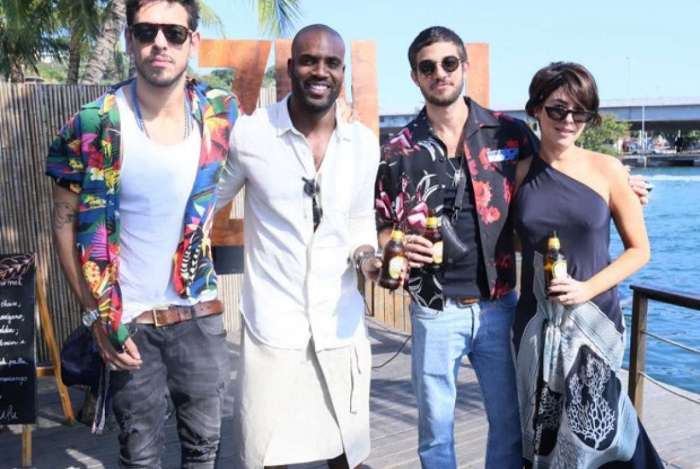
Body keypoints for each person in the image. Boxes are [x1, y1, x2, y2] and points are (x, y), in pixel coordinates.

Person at [375, 27, 651, 469]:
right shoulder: (398, 149)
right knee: (435, 433)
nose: (440, 73)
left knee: (509, 426)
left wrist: (621, 186)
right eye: (428, 67)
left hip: (500, 305)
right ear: (415, 76)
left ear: (464, 67)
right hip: (434, 307)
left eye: (449, 63)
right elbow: (383, 224)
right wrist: (394, 247)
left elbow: (557, 168)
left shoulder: (507, 133)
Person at [46, 0, 238, 467]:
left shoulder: (219, 112)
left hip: (199, 314)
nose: (160, 43)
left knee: (204, 450)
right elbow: (63, 223)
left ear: (193, 41)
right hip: (128, 320)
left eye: (174, 33)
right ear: (129, 40)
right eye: (147, 32)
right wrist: (96, 316)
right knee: (140, 455)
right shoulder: (93, 124)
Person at [216, 24, 380, 469]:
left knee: (346, 455)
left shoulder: (363, 144)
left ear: (343, 72)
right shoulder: (252, 135)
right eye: (309, 61)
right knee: (268, 453)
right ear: (290, 68)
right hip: (275, 326)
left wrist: (366, 256)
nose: (320, 71)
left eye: (331, 63)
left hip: (338, 324)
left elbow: (360, 219)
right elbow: (205, 204)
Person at [511, 62, 663, 468]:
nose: (569, 121)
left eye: (580, 113)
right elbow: (505, 240)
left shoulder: (608, 169)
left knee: (599, 433)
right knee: (543, 434)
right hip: (536, 324)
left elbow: (639, 250)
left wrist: (585, 289)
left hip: (594, 321)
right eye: (558, 109)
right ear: (536, 109)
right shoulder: (519, 174)